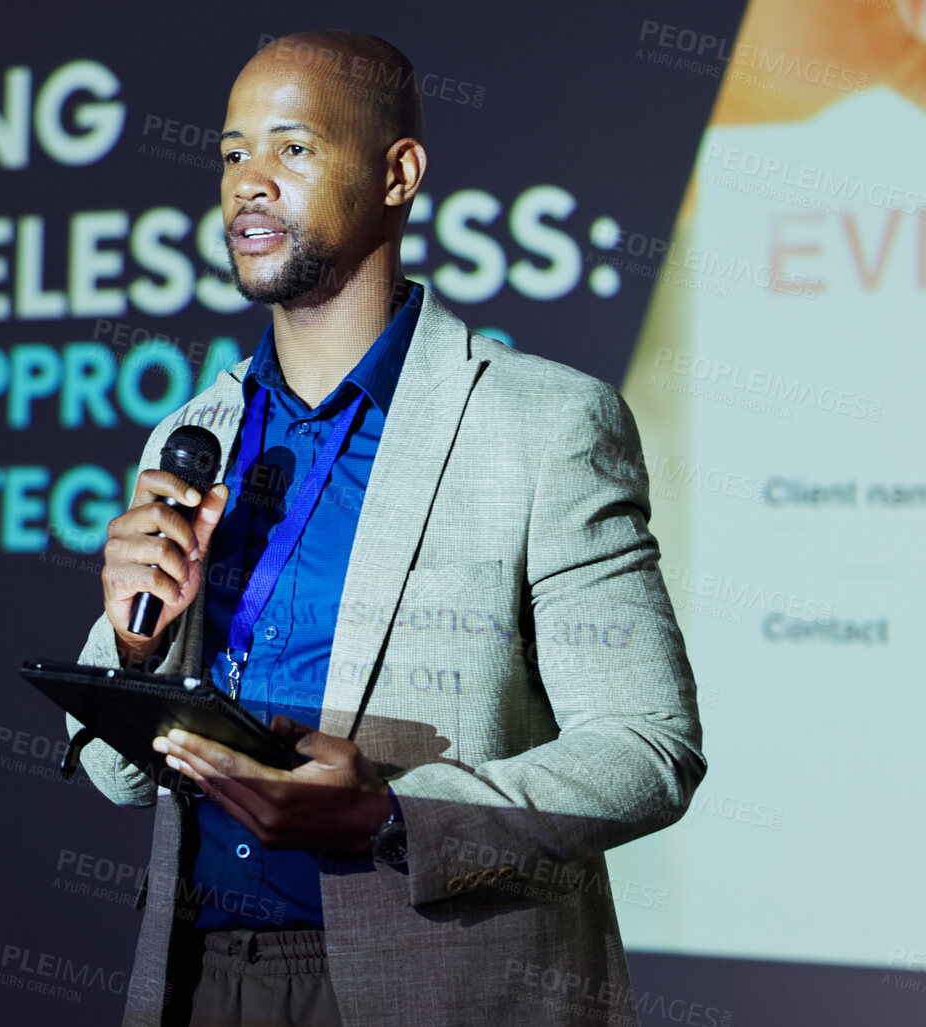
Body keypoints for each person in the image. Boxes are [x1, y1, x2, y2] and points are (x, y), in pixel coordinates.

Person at [67, 30, 706, 1027]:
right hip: (199, 982)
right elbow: (115, 774)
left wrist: (393, 812)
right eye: (232, 154)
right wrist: (138, 640)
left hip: (442, 981)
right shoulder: (195, 433)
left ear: (398, 172)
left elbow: (646, 747)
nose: (248, 184)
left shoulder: (542, 424)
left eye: (291, 147)